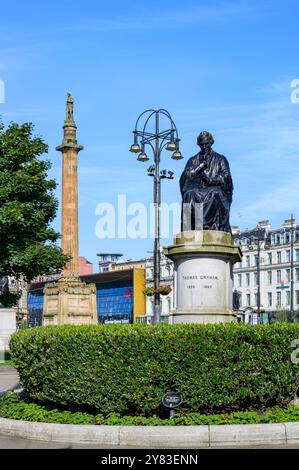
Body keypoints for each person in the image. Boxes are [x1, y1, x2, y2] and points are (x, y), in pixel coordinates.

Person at [180, 131, 233, 233]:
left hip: (214, 188)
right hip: (197, 189)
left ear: (211, 143)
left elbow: (226, 176)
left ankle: (205, 226)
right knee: (189, 195)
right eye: (201, 145)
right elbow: (185, 178)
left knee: (214, 193)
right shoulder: (193, 160)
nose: (204, 147)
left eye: (206, 144)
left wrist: (211, 180)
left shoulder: (220, 158)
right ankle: (191, 229)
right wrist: (194, 172)